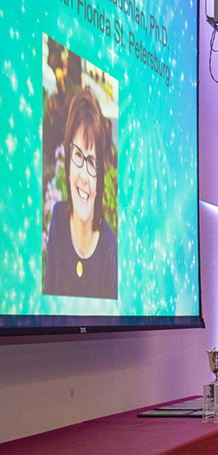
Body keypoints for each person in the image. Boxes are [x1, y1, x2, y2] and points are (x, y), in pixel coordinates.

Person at [44, 86, 117, 299]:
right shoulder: (58, 217)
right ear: (67, 168)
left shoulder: (109, 247)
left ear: (99, 181)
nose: (84, 176)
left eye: (92, 162)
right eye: (77, 155)